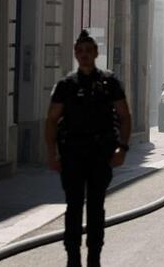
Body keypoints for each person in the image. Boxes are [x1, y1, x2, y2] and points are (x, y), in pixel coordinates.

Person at [46, 31, 132, 267]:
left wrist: (122, 149)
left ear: (95, 53)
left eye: (88, 51)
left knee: (96, 208)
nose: (84, 55)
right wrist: (51, 154)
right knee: (73, 207)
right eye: (80, 51)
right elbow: (52, 120)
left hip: (99, 155)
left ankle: (94, 257)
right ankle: (73, 258)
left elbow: (125, 116)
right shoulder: (66, 85)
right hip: (72, 154)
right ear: (75, 54)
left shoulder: (109, 83)